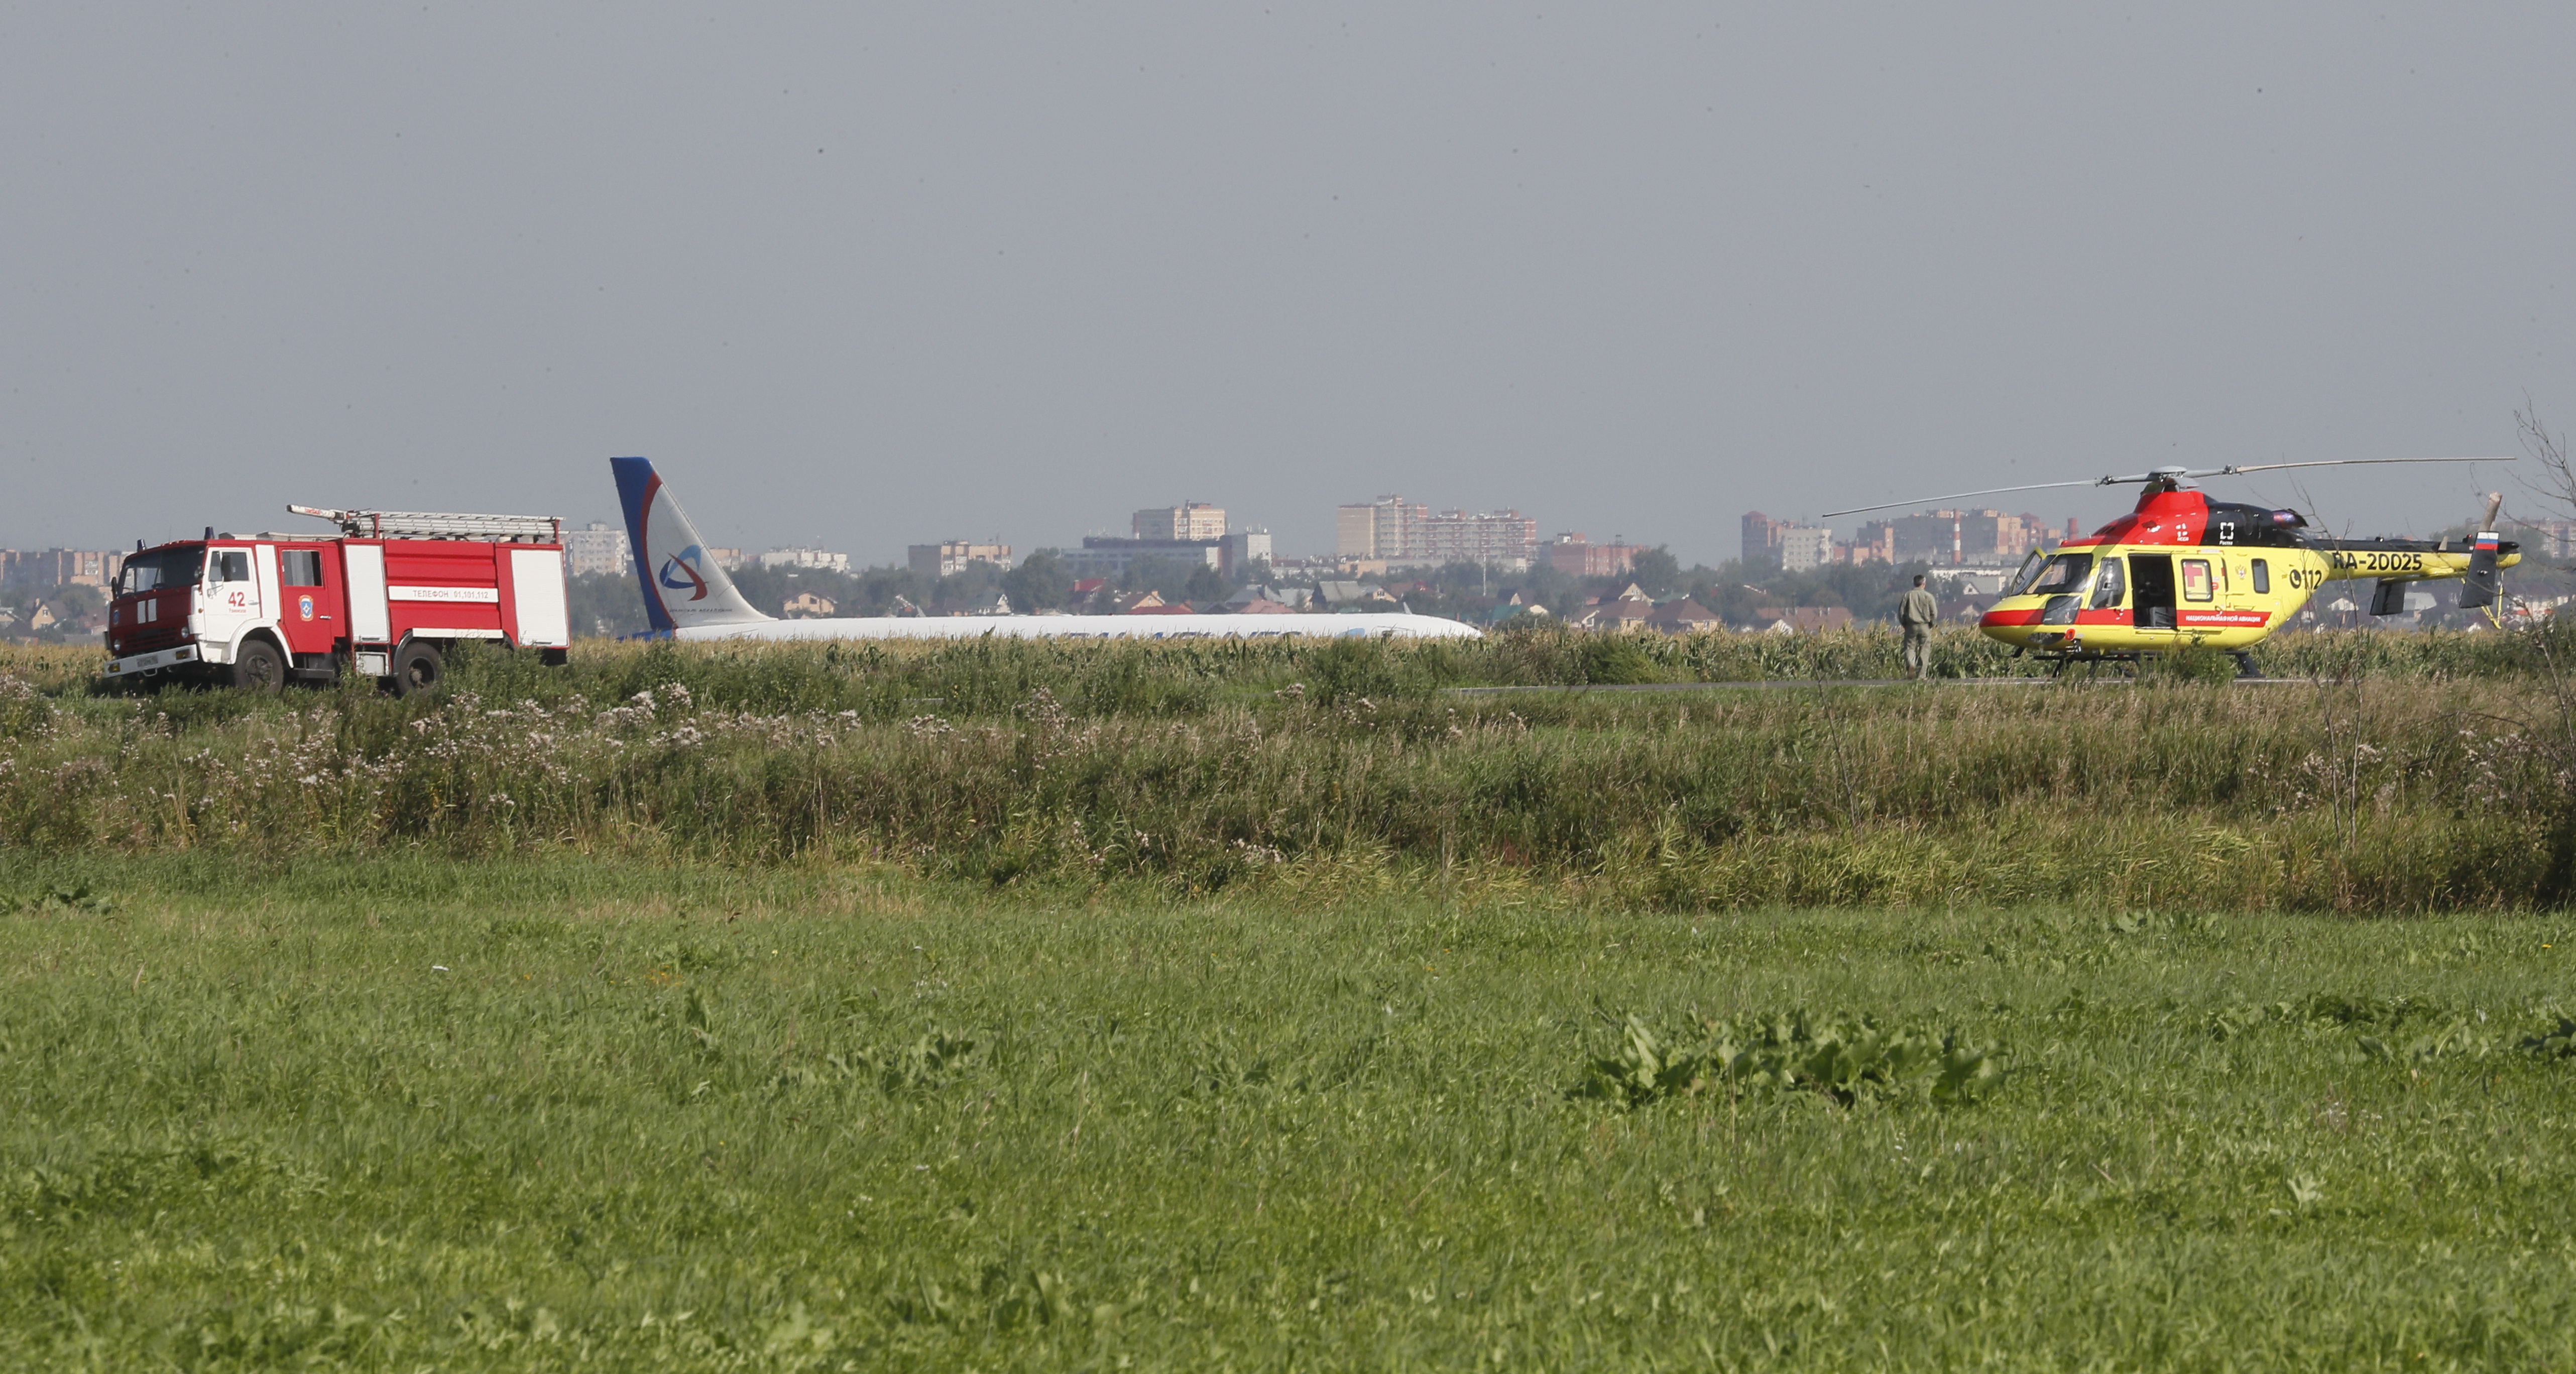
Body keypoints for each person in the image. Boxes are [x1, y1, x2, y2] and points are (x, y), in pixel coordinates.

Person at [1899, 574, 1939, 679]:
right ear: (1924, 584)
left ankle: (1911, 665)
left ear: (1914, 583)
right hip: (1925, 626)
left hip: (1911, 625)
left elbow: (1901, 612)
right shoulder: (1929, 596)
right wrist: (1931, 623)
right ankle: (1921, 675)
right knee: (1924, 649)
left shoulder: (1908, 595)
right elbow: (1934, 613)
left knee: (1910, 648)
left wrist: (1904, 624)